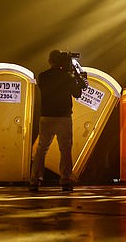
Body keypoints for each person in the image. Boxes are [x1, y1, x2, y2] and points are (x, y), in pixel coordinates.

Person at [29, 50, 87, 192]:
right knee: (65, 150)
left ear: (50, 61)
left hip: (46, 117)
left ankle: (35, 181)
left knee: (41, 150)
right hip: (64, 118)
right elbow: (78, 93)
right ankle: (65, 181)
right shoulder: (67, 76)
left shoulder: (43, 76)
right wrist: (76, 76)